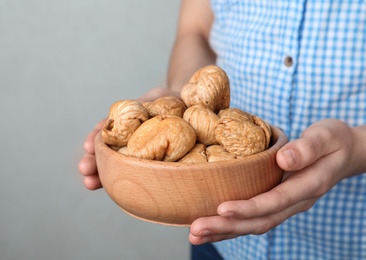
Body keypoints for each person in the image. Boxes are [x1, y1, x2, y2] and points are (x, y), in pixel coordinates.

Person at [78, 0, 366, 259]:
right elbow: (197, 30)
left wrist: (355, 148)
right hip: (216, 230)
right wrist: (182, 97)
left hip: (341, 240)